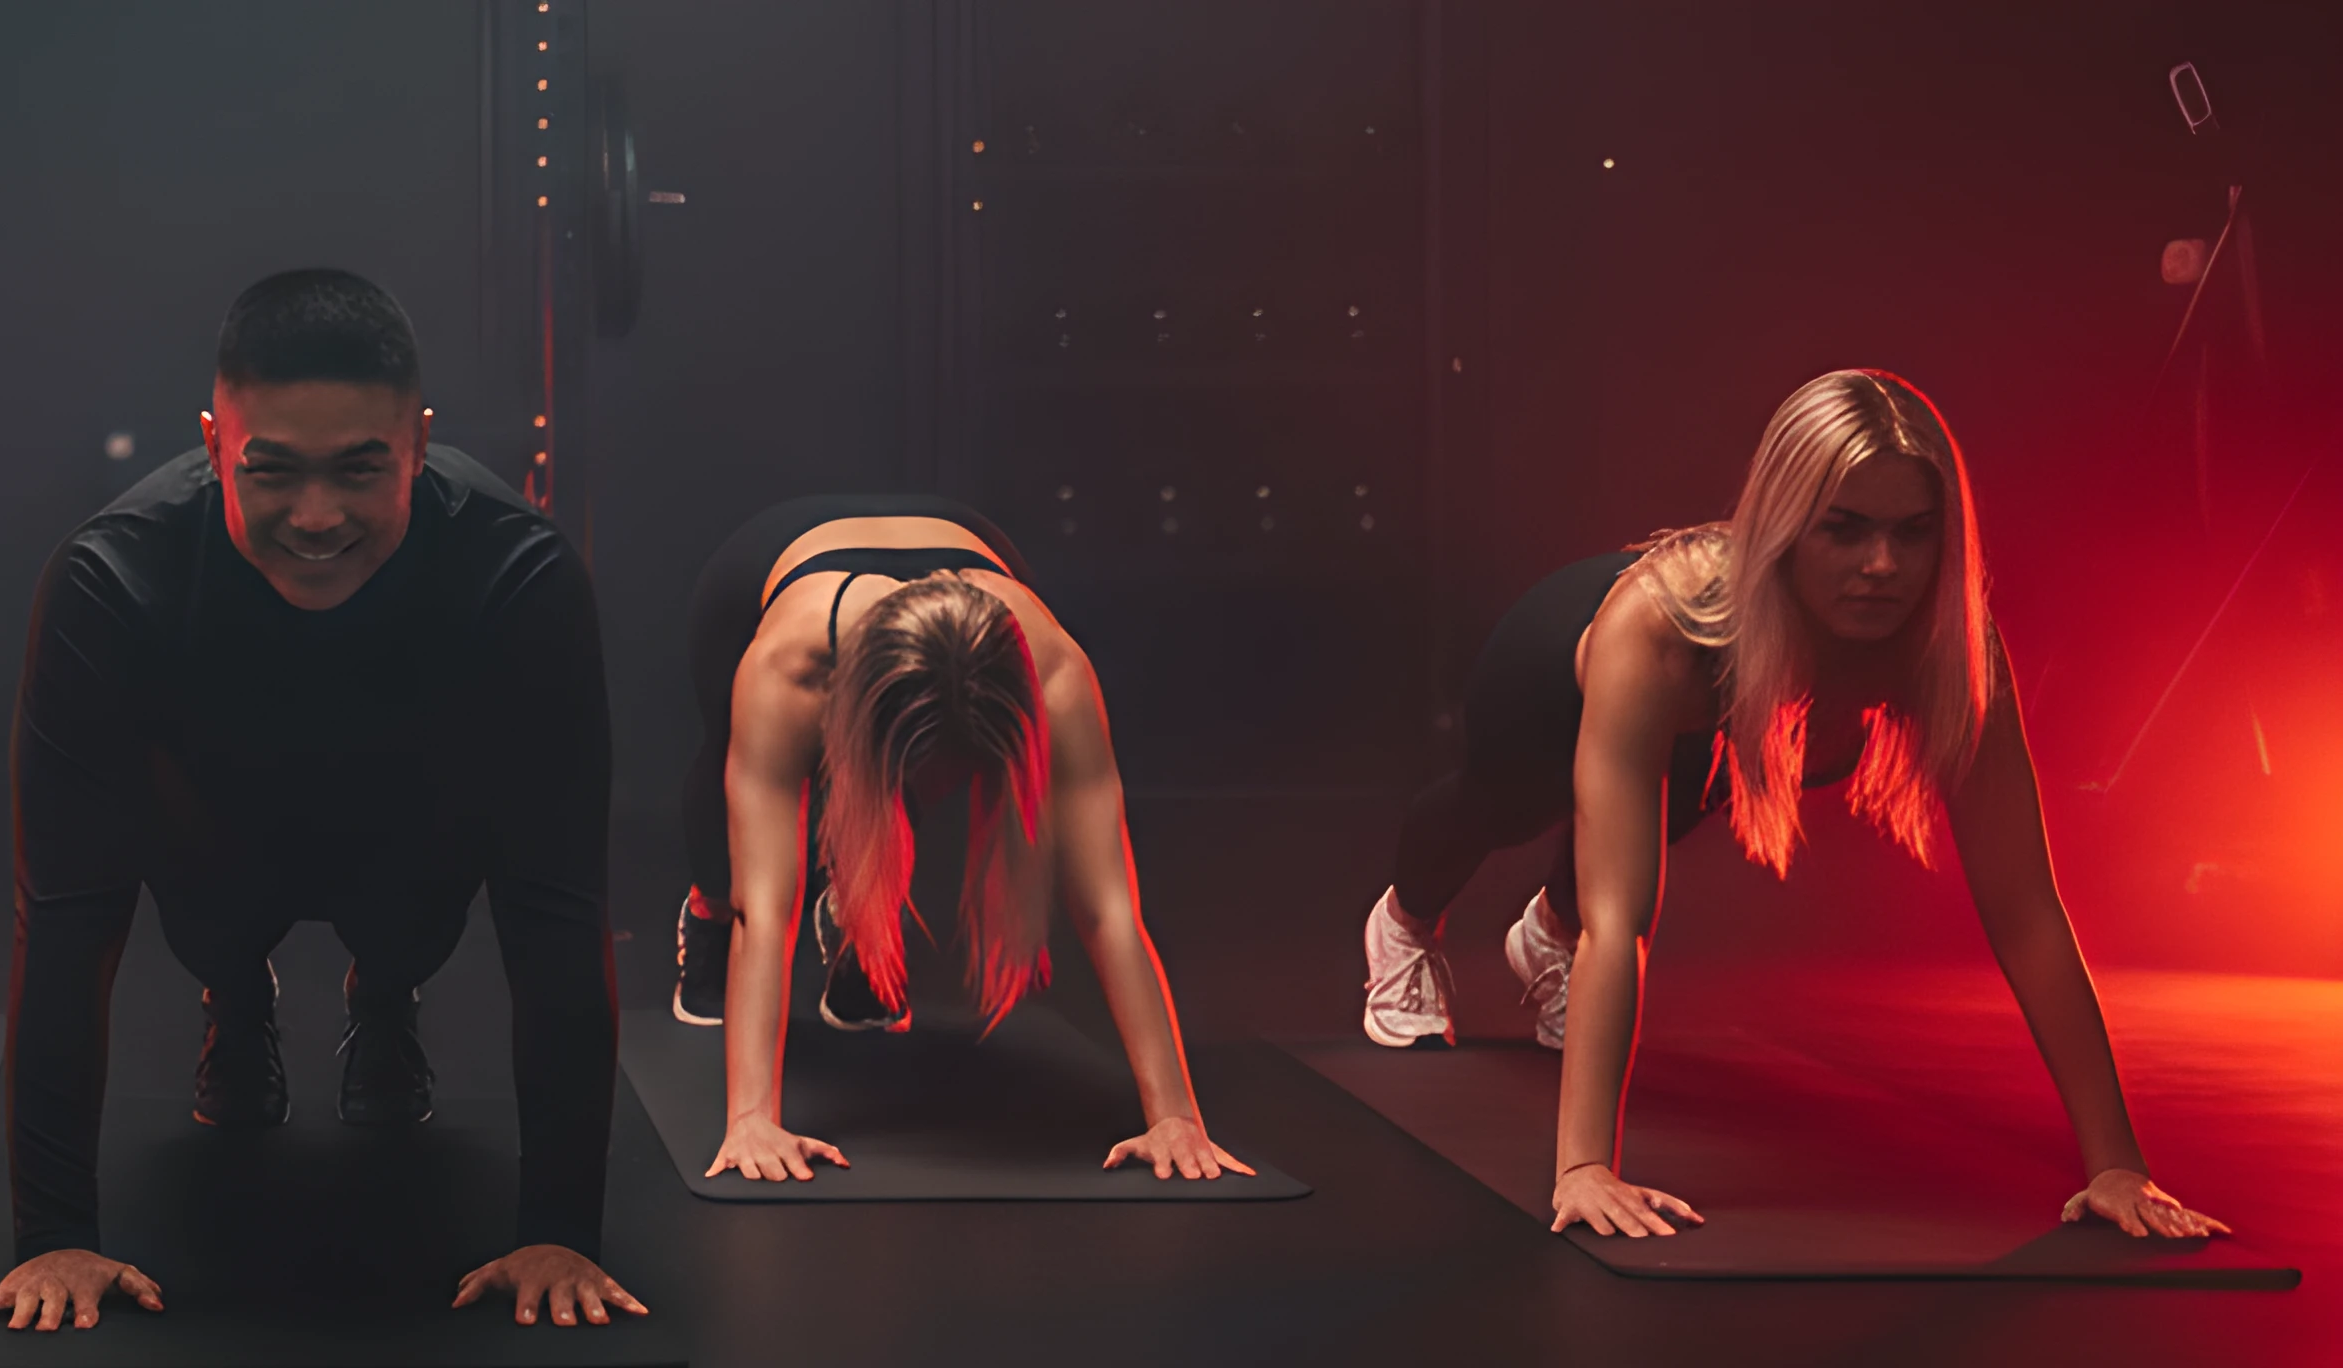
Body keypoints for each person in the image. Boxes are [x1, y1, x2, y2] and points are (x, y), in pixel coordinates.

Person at [1358, 370, 2230, 1241]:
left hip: (1725, 695)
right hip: (1563, 667)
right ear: (1784, 526)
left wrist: (2118, 1165)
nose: (1882, 566)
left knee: (1671, 802)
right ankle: (1403, 922)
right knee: (1500, 809)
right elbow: (1621, 916)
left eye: (1913, 533)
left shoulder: (1948, 647)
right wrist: (1585, 1167)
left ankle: (1544, 931)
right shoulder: (1656, 631)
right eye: (1844, 531)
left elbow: (2028, 909)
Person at [0, 268, 634, 1332]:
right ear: (213, 442)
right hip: (216, 822)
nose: (315, 518)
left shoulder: (519, 576)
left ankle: (383, 995)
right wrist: (54, 1237)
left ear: (417, 443)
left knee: (402, 935)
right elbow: (63, 916)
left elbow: (553, 912)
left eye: (359, 472)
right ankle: (234, 1000)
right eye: (271, 472)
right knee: (215, 934)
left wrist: (560, 1228)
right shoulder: (113, 580)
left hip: (412, 819)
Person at [675, 497, 1247, 1185]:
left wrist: (1174, 1115)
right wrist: (751, 1119)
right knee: (729, 798)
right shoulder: (787, 667)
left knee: (929, 748)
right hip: (766, 556)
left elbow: (1109, 907)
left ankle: (860, 916)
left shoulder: (1055, 670)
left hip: (965, 536)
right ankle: (701, 911)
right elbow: (765, 908)